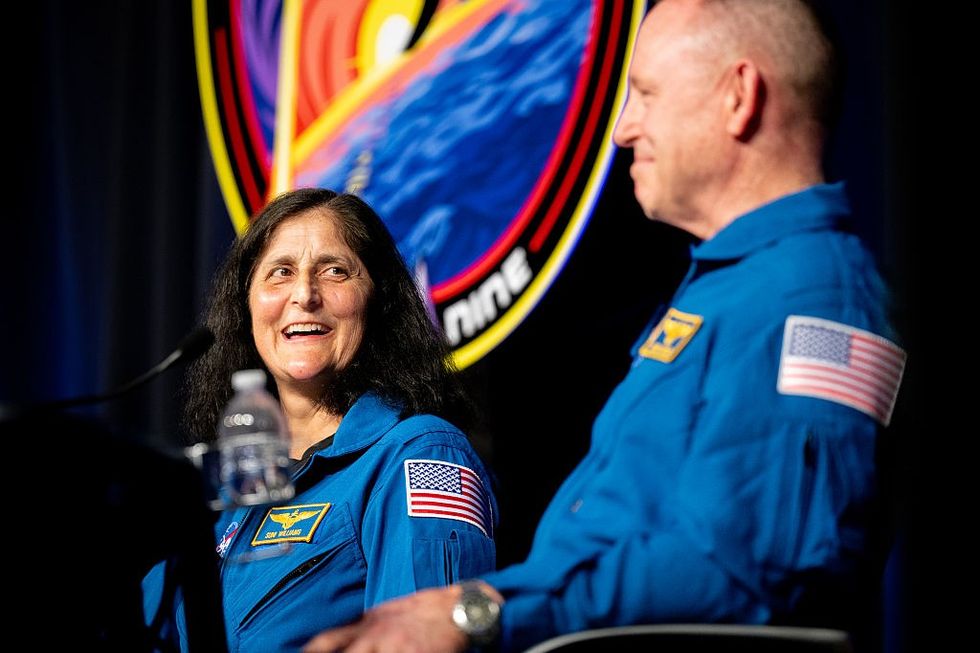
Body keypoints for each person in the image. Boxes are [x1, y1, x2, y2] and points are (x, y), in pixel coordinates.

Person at [302, 0, 906, 651]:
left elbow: (759, 570)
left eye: (644, 93)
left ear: (739, 97)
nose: (622, 128)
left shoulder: (814, 294)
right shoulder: (732, 286)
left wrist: (475, 610)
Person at [142, 188, 498, 651]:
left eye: (334, 271)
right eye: (280, 273)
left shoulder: (420, 454)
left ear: (378, 301)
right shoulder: (215, 492)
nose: (305, 295)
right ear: (246, 306)